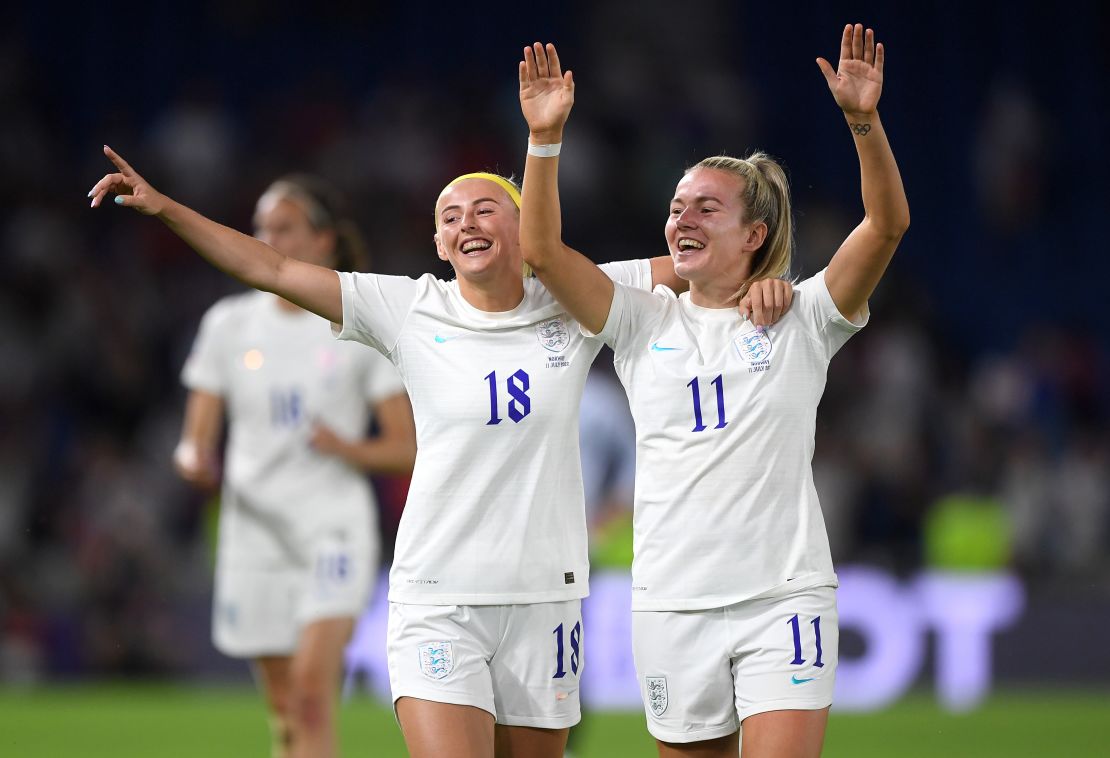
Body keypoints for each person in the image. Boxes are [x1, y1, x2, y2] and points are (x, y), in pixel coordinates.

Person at [88, 148, 791, 758]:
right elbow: (270, 266)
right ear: (437, 244)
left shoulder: (577, 300)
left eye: (486, 209)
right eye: (451, 217)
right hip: (437, 598)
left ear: (527, 231)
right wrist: (166, 209)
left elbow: (708, 263)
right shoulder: (409, 309)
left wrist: (767, 281)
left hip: (545, 600)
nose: (467, 224)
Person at [518, 25, 908, 758]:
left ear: (754, 234)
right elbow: (540, 254)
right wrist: (544, 141)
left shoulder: (807, 317)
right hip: (672, 602)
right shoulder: (636, 320)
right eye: (676, 206)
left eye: (705, 208)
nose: (681, 219)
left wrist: (864, 121)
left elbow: (886, 226)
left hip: (782, 596)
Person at [172, 174, 416, 758]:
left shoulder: (357, 326)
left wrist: (348, 448)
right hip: (253, 529)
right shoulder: (228, 325)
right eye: (261, 227)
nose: (267, 237)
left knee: (311, 693)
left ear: (324, 240)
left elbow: (406, 447)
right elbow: (194, 438)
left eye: (284, 227)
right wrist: (194, 460)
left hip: (332, 527)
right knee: (284, 710)